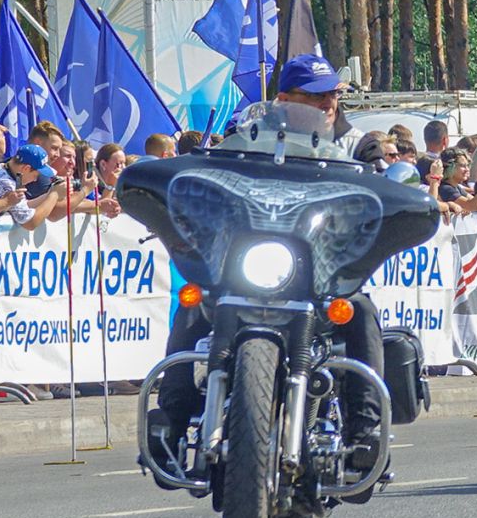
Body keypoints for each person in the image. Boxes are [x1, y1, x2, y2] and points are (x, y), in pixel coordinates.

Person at [149, 59, 383, 475]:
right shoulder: (247, 139)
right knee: (193, 301)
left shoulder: (357, 145)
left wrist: (397, 190)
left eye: (331, 94)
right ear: (285, 99)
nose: (326, 102)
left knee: (360, 308)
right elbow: (208, 176)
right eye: (314, 95)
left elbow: (388, 185)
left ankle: (366, 432)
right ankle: (171, 421)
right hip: (255, 262)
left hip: (321, 271)